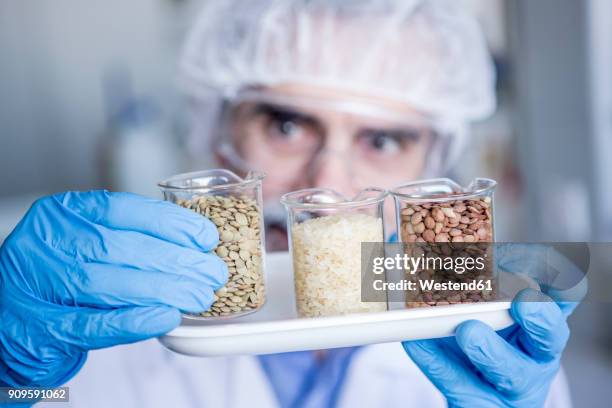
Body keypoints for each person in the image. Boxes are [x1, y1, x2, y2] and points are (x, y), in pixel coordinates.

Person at [0, 1, 578, 407]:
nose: (327, 186)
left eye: (381, 140)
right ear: (217, 129)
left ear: (433, 166)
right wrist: (9, 384)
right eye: (287, 124)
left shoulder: (494, 341)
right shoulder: (89, 306)